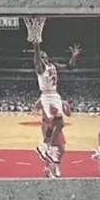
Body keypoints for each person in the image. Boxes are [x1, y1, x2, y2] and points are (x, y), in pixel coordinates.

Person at [29, 20, 82, 179]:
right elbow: (37, 56)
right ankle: (47, 149)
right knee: (56, 122)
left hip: (55, 95)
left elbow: (70, 67)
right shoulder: (40, 68)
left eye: (43, 55)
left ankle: (45, 147)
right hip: (47, 96)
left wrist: (73, 57)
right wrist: (36, 43)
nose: (42, 56)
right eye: (40, 55)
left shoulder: (53, 66)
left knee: (59, 123)